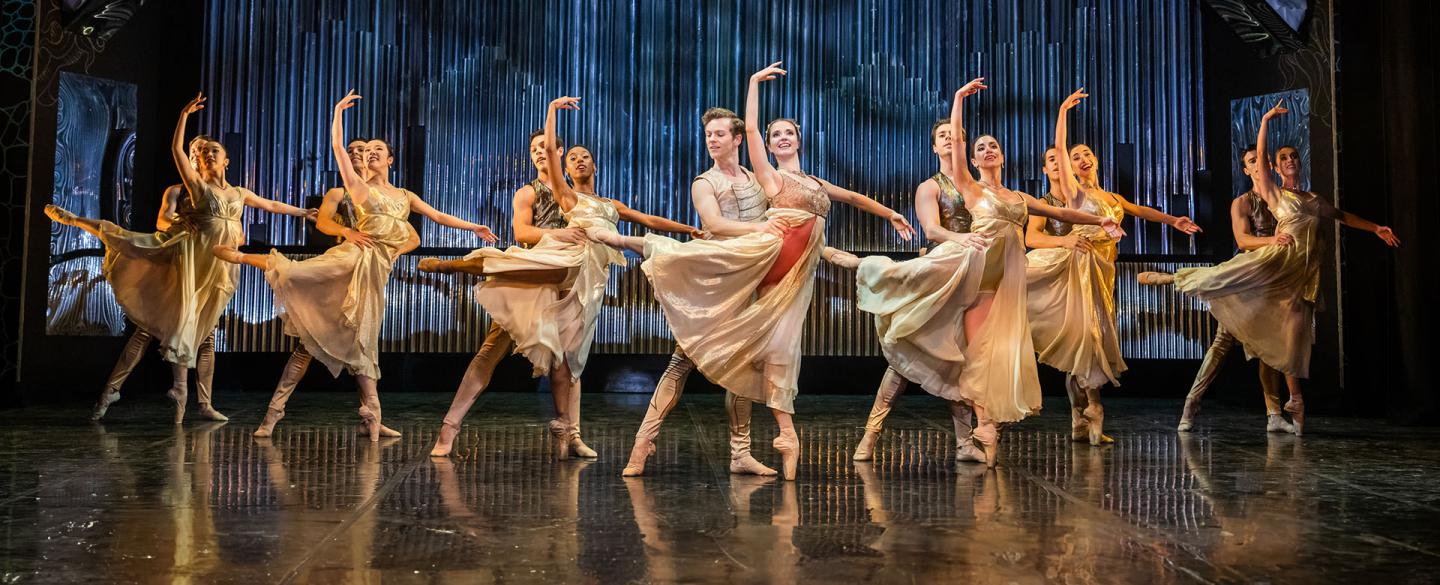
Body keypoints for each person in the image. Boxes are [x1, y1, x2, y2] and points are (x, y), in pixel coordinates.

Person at [591, 61, 917, 480]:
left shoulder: (758, 178)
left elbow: (792, 227)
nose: (711, 140)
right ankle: (642, 445)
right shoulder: (704, 182)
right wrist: (760, 226)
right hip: (719, 276)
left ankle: (740, 452)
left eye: (718, 134)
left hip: (754, 273)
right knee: (681, 361)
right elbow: (716, 225)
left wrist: (831, 248)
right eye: (707, 135)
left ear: (735, 139)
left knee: (741, 369)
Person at [213, 90, 498, 441]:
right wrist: (336, 114)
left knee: (363, 345)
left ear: (390, 160)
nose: (371, 153)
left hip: (373, 273)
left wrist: (474, 227)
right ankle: (253, 261)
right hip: (351, 259)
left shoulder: (405, 196)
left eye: (379, 150)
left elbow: (436, 217)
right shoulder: (358, 190)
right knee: (302, 294)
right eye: (367, 150)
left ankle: (373, 419)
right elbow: (337, 152)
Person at [47, 92, 314, 424]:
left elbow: (271, 206)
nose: (204, 154)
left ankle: (202, 403)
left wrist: (304, 211)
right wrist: (184, 114)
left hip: (220, 267)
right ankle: (115, 391)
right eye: (200, 152)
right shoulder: (189, 190)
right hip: (188, 262)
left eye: (212, 150)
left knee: (207, 334)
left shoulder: (238, 193)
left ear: (226, 159)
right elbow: (167, 201)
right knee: (148, 329)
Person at [1139, 99, 1401, 436]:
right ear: (1252, 169)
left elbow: (1339, 216)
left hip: (1287, 274)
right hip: (1256, 269)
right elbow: (1245, 241)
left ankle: (1278, 410)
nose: (1266, 163)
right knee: (1224, 341)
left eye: (1267, 159)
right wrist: (1272, 242)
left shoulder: (1307, 198)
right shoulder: (1252, 199)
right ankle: (1191, 394)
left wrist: (1376, 228)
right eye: (1256, 162)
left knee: (1275, 341)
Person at [1025, 88, 1201, 445]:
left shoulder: (1111, 198)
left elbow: (1140, 210)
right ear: (1066, 167)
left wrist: (1172, 220)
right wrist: (1062, 112)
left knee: (1089, 342)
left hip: (1105, 272)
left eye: (1087, 153)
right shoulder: (1073, 194)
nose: (1081, 158)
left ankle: (1079, 417)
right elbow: (1058, 151)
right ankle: (1093, 410)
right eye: (1075, 156)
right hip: (1081, 268)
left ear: (1097, 160)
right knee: (1088, 337)